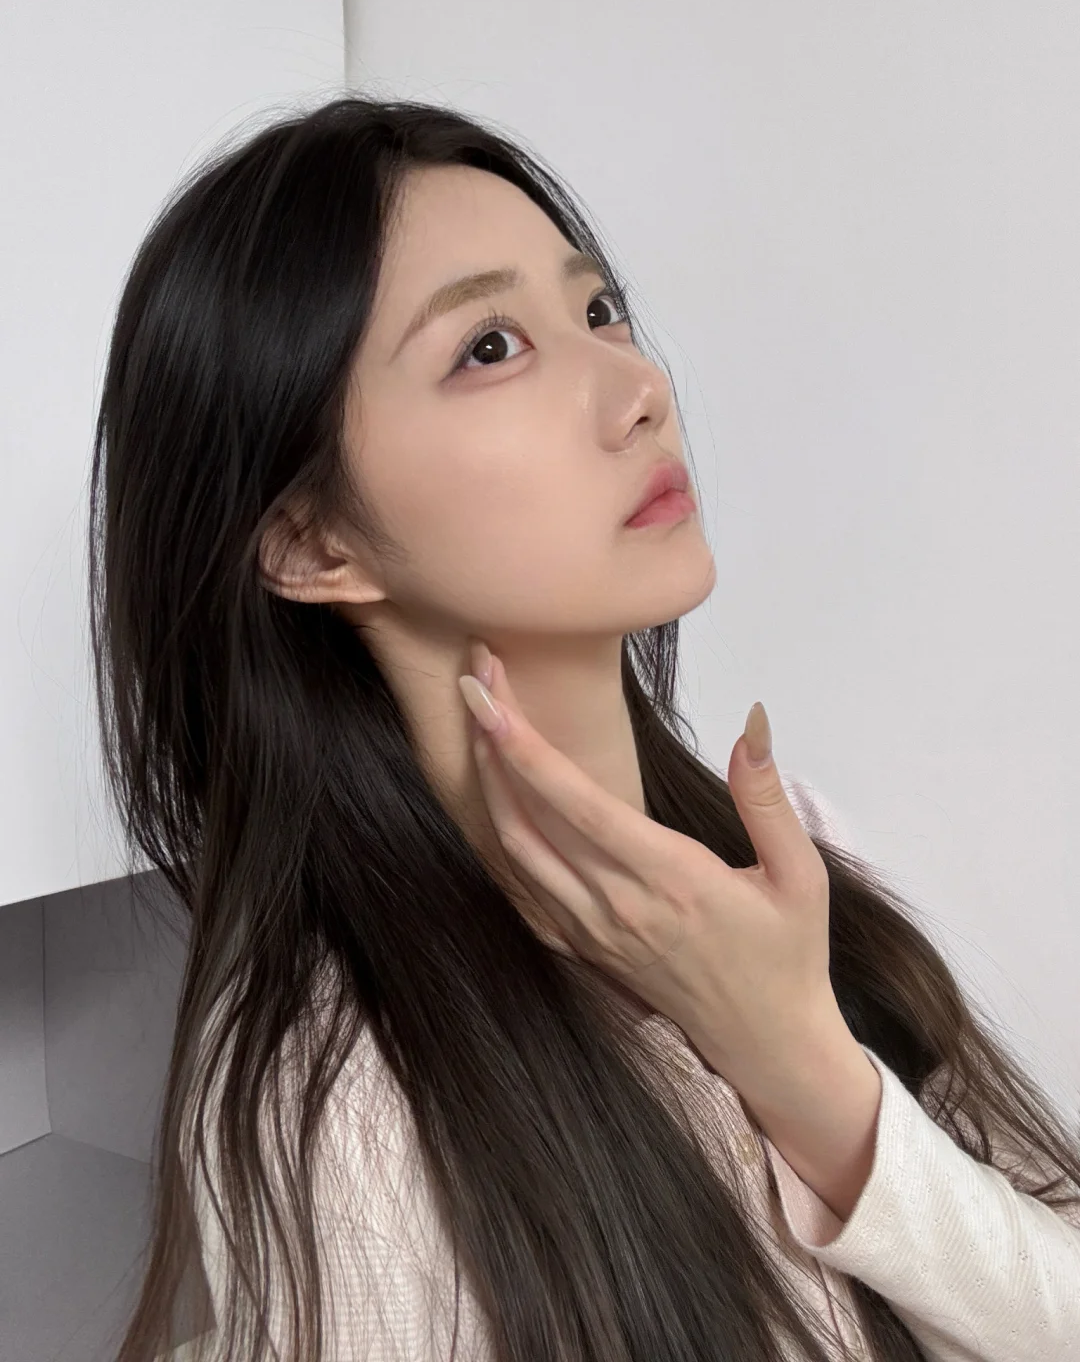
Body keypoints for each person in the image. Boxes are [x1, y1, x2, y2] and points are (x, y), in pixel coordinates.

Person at [88, 95, 1080, 1362]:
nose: (640, 387)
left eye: (600, 310)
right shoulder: (344, 1099)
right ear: (311, 542)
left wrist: (809, 1074)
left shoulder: (786, 854)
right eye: (491, 346)